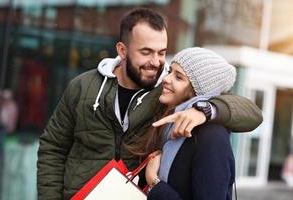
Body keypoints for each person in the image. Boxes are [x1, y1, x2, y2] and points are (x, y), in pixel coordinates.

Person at [37, 8, 262, 199]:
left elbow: (251, 113)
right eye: (146, 52)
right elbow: (53, 148)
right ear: (122, 51)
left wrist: (204, 110)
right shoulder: (82, 86)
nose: (156, 63)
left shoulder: (166, 92)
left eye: (162, 53)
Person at [141, 47, 236, 200]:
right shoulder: (170, 124)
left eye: (178, 77)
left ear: (197, 91)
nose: (166, 79)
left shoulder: (211, 135)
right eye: (170, 71)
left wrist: (155, 182)